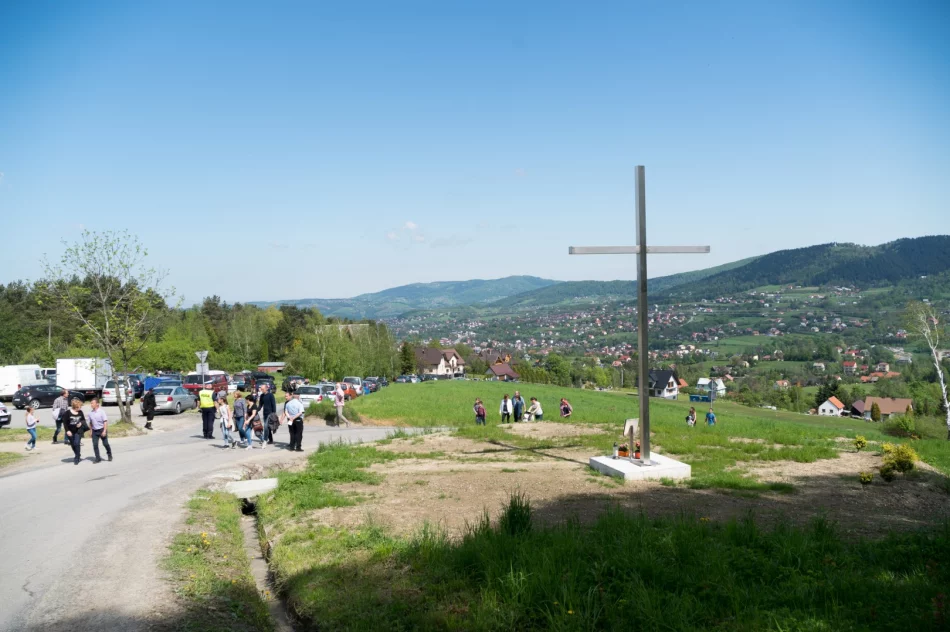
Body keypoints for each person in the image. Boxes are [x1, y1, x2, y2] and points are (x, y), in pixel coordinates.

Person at [86, 397, 113, 463]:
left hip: (101, 429)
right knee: (95, 445)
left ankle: (109, 454)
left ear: (97, 404)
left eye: (92, 403)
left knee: (105, 444)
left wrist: (104, 431)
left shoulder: (101, 412)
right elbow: (90, 423)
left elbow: (105, 421)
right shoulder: (90, 413)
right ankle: (98, 458)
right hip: (95, 431)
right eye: (91, 403)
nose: (91, 405)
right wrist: (91, 431)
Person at [63, 398, 87, 465]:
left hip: (78, 431)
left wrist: (81, 423)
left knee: (77, 443)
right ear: (75, 407)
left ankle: (77, 458)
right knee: (73, 445)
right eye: (80, 406)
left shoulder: (80, 412)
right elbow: (65, 423)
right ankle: (78, 454)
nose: (80, 407)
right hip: (70, 431)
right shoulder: (67, 413)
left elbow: (83, 420)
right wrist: (67, 431)